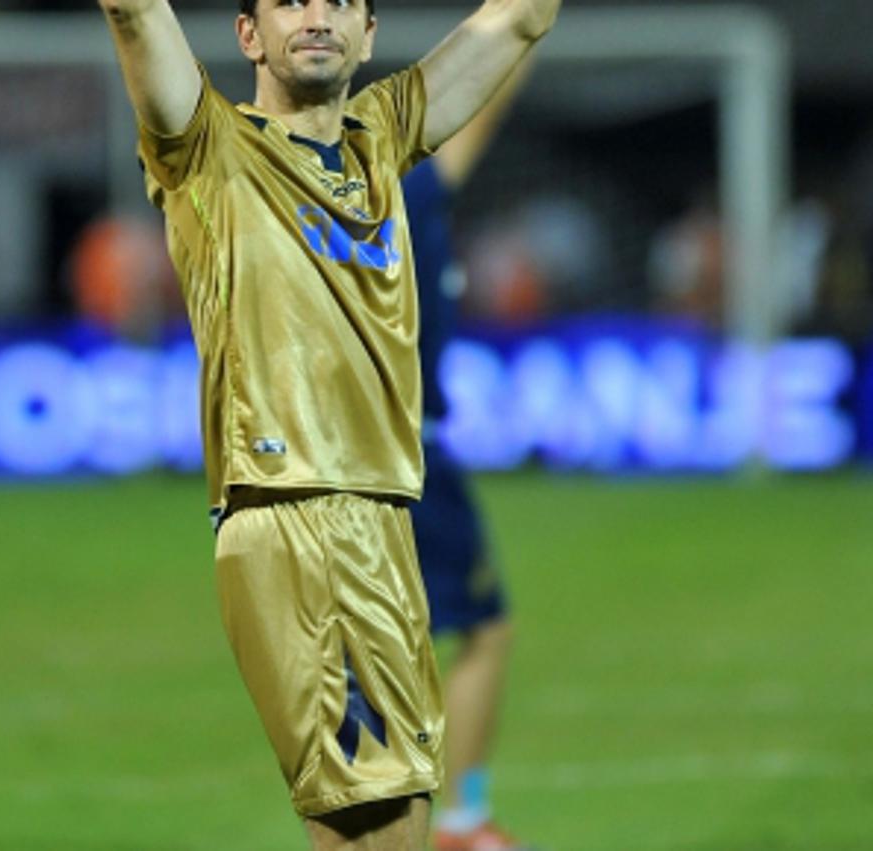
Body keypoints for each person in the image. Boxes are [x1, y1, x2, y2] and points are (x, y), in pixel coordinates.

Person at [97, 0, 560, 847]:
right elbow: (133, 14)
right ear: (248, 35)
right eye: (291, 1)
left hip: (385, 521)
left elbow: (521, 21)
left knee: (394, 825)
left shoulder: (384, 136)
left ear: (369, 35)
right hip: (296, 516)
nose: (318, 14)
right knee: (377, 827)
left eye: (342, 1)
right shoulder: (207, 146)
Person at [399, 61, 535, 851]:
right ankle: (462, 818)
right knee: (483, 626)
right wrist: (520, 30)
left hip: (341, 453)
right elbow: (474, 111)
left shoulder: (317, 193)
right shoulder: (408, 184)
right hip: (407, 450)